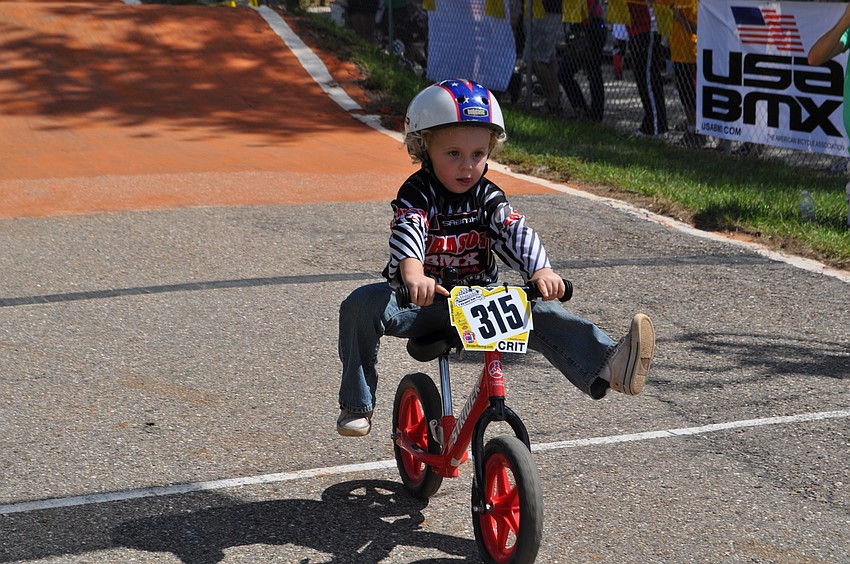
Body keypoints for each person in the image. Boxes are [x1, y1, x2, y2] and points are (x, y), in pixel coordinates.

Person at [336, 79, 657, 437]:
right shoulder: (418, 191)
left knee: (544, 311)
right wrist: (413, 274)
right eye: (453, 154)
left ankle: (610, 366)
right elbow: (409, 227)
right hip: (424, 302)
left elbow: (512, 229)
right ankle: (357, 404)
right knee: (361, 304)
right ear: (424, 148)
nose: (467, 166)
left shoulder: (487, 196)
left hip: (479, 304)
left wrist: (541, 270)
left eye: (478, 154)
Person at [659, 0, 702, 147]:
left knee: (691, 94)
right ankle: (691, 126)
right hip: (677, 52)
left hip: (689, 54)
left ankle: (696, 130)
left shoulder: (691, 4)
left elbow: (696, 29)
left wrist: (679, 16)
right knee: (684, 93)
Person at [558, 0, 607, 122]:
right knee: (565, 74)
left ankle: (595, 115)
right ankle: (582, 110)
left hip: (592, 24)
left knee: (593, 72)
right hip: (580, 24)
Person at [626, 0, 668, 136]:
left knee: (649, 79)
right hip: (635, 28)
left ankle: (658, 127)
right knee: (643, 79)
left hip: (647, 28)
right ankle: (651, 121)